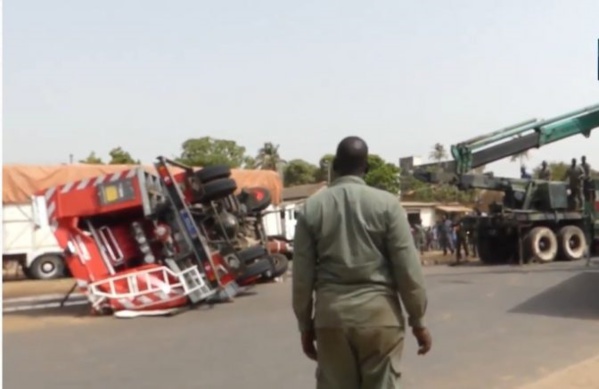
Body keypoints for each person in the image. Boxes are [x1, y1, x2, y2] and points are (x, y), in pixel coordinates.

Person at [292, 136, 431, 389]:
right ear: (365, 168)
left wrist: (305, 325)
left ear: (334, 166)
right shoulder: (388, 205)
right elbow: (408, 270)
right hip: (381, 319)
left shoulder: (311, 209)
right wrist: (418, 321)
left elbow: (302, 276)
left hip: (331, 318)